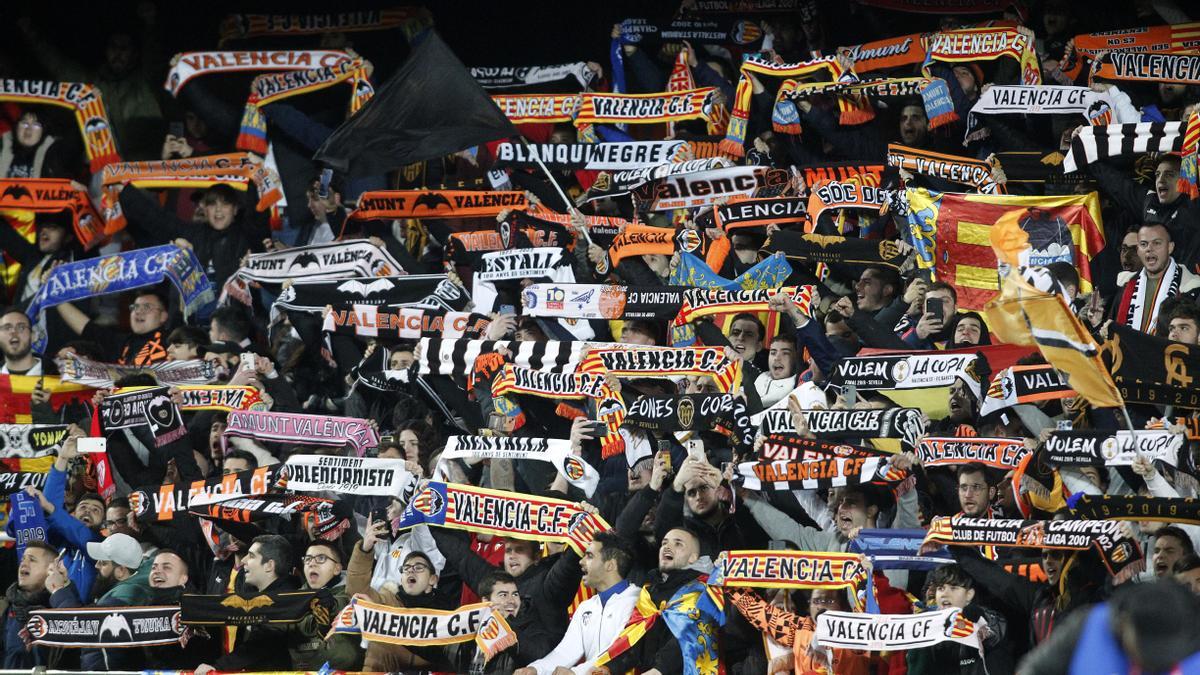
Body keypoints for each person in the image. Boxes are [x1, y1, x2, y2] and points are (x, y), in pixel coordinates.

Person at [517, 533, 641, 675]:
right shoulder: (586, 607)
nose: (581, 561)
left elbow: (616, 653)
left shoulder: (638, 604)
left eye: (589, 556)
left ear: (610, 565)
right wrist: (535, 669)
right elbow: (566, 652)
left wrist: (576, 672)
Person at [195, 535, 298, 674]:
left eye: (251, 556)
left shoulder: (283, 600)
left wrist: (219, 667)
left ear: (269, 565)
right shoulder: (257, 596)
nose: (243, 561)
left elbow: (262, 645)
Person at [907, 564, 1013, 675]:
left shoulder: (982, 617)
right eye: (940, 588)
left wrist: (971, 614)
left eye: (953, 588)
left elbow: (995, 630)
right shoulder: (926, 624)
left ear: (969, 594)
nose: (945, 594)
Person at [1114, 223, 1200, 334]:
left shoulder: (1191, 288)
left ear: (1170, 247)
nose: (1149, 249)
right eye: (1144, 244)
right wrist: (1096, 324)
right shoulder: (1126, 286)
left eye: (1157, 243)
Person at [55, 287, 171, 365]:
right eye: (135, 307)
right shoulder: (121, 342)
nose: (138, 311)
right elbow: (88, 328)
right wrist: (55, 293)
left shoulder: (173, 341)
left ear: (163, 316)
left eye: (147, 307)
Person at [2, 541, 54, 668]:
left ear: (51, 570)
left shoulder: (57, 610)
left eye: (32, 560)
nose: (23, 564)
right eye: (23, 559)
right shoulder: (8, 610)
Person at [0, 308, 40, 375]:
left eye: (21, 327)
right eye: (7, 328)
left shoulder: (59, 375)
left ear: (33, 336)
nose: (13, 331)